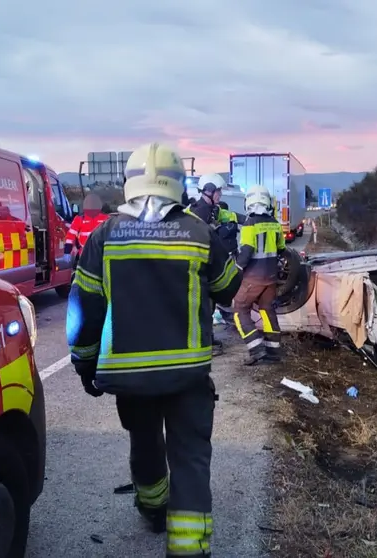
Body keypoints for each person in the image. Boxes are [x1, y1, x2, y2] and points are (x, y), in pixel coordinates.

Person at [66, 142, 242, 557]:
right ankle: (188, 548)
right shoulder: (199, 231)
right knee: (190, 457)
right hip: (188, 376)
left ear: (130, 184)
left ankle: (152, 508)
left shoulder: (104, 234)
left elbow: (83, 309)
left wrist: (85, 364)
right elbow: (229, 288)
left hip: (130, 376)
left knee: (144, 441)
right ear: (179, 185)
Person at [231, 184, 285, 365]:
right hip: (271, 278)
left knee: (239, 309)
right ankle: (274, 352)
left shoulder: (249, 223)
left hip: (253, 277)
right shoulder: (275, 224)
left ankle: (256, 348)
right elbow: (282, 249)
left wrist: (236, 268)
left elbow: (247, 249)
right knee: (267, 310)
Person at [64, 192, 109, 260]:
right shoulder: (79, 219)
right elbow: (70, 236)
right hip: (85, 254)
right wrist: (67, 251)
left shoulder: (106, 218)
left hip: (101, 254)